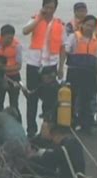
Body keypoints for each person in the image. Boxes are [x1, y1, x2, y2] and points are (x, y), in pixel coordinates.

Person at [22, 0, 67, 138]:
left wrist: (60, 67)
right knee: (32, 97)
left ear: (55, 9)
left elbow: (63, 47)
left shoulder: (60, 24)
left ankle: (46, 129)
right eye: (46, 7)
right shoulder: (34, 19)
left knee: (49, 99)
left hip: (50, 65)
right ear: (42, 7)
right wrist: (39, 18)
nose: (49, 10)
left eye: (51, 7)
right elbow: (25, 31)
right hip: (34, 64)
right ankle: (31, 129)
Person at [65, 15, 97, 135]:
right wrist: (60, 67)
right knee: (73, 97)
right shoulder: (74, 37)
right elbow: (65, 50)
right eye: (87, 25)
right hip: (75, 71)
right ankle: (72, 122)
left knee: (88, 97)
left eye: (92, 26)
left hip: (90, 72)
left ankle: (86, 123)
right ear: (82, 24)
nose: (89, 28)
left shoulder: (96, 39)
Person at [0, 25, 23, 119]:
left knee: (14, 105)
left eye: (12, 38)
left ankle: (18, 127)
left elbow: (19, 66)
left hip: (14, 77)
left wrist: (3, 69)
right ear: (1, 36)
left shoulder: (17, 46)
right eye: (8, 38)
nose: (10, 40)